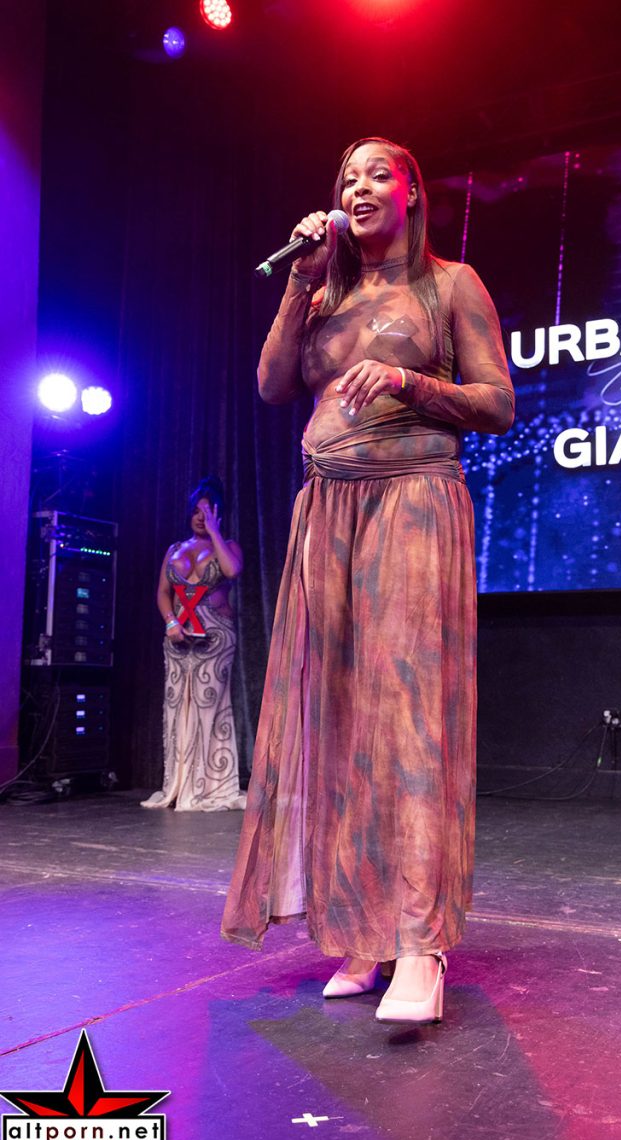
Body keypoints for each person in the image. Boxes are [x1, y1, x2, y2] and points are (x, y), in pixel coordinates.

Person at [222, 138, 514, 1023]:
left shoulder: (450, 285)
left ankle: (422, 944)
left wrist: (406, 380)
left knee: (409, 720)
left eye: (377, 174)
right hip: (327, 509)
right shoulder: (324, 293)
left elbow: (498, 403)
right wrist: (299, 283)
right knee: (340, 722)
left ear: (412, 192)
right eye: (347, 177)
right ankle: (363, 929)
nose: (358, 188)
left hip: (413, 500)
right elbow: (273, 384)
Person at [142, 476, 246, 812]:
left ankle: (207, 785)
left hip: (215, 636)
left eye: (208, 512)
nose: (201, 517)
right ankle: (179, 783)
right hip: (178, 636)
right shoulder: (174, 549)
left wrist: (215, 532)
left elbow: (231, 571)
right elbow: (162, 593)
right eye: (197, 512)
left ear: (219, 513)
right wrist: (170, 622)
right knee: (178, 708)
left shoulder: (228, 545)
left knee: (207, 706)